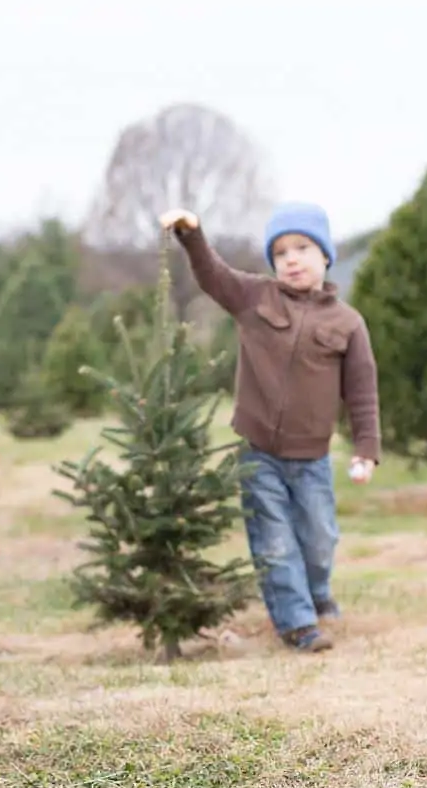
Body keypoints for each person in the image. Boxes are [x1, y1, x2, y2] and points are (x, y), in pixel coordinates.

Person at [160, 202, 380, 652]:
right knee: (275, 542)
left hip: (313, 458)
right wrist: (192, 235)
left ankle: (317, 593)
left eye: (302, 248)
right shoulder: (254, 296)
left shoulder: (348, 323)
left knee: (320, 540)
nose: (292, 259)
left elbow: (362, 392)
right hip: (258, 453)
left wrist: (366, 448)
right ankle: (298, 625)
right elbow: (212, 275)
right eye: (280, 253)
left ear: (325, 256)